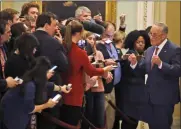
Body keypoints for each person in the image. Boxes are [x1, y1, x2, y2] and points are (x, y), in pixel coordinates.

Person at [58, 20, 113, 129]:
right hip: (74, 95)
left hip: (61, 91)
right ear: (79, 33)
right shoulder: (80, 52)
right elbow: (91, 71)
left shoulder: (62, 47)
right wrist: (104, 69)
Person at [128, 22, 181, 129]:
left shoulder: (174, 49)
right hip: (149, 98)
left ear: (163, 36)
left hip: (165, 98)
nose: (151, 37)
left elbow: (178, 70)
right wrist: (134, 63)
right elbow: (144, 69)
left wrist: (161, 64)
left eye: (154, 35)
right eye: (150, 34)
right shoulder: (149, 50)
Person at [1, 57, 62, 129]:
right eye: (48, 71)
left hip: (10, 111)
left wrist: (61, 88)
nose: (51, 73)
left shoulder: (31, 78)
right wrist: (47, 105)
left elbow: (48, 85)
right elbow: (30, 109)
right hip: (12, 116)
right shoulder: (30, 86)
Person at [119, 30, 151, 129]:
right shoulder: (130, 55)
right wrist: (134, 64)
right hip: (129, 96)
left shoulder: (142, 55)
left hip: (136, 96)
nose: (141, 44)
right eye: (138, 42)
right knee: (129, 123)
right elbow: (134, 71)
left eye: (143, 42)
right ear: (133, 42)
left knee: (133, 123)